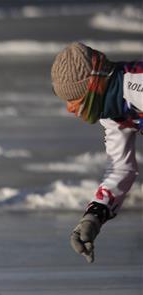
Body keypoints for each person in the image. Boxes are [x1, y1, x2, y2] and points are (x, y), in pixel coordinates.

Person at [50, 42, 141, 263]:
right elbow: (120, 168)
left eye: (74, 100)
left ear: (94, 85)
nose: (71, 109)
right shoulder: (113, 109)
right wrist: (93, 217)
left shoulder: (137, 86)